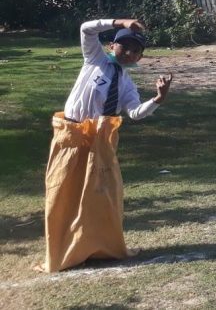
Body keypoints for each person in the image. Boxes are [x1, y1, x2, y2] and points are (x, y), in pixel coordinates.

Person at [43, 18, 172, 272]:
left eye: (136, 51)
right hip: (72, 136)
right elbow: (85, 29)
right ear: (112, 45)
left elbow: (134, 112)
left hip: (100, 142)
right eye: (125, 47)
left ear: (140, 58)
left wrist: (157, 99)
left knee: (100, 196)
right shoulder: (94, 60)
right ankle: (62, 250)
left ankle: (95, 246)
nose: (130, 53)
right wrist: (118, 21)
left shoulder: (126, 83)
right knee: (64, 193)